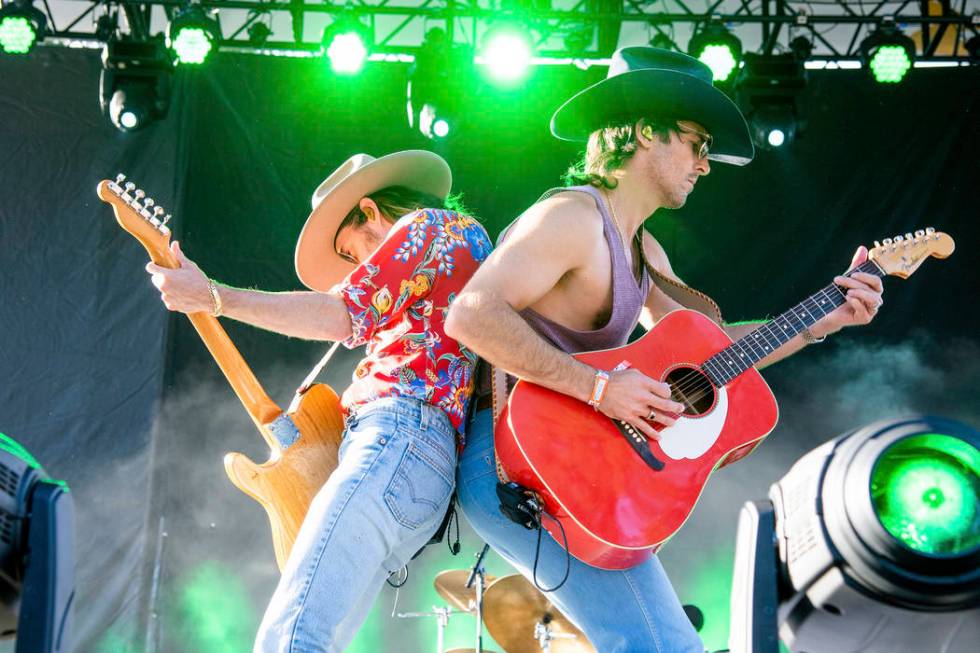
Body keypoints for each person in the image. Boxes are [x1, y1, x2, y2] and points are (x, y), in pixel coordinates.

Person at [444, 48, 884, 652]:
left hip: (575, 472)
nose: (705, 164)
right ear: (646, 130)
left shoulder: (644, 251)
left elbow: (712, 356)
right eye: (698, 142)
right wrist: (600, 389)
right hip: (512, 466)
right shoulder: (572, 217)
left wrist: (817, 322)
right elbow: (470, 314)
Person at [145, 150, 493, 652]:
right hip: (426, 477)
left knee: (291, 639)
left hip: (396, 442)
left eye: (354, 252)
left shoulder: (426, 226)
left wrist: (214, 296)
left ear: (370, 212)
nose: (361, 266)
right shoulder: (463, 249)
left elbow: (342, 313)